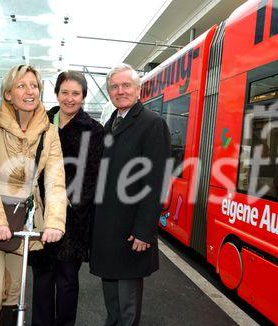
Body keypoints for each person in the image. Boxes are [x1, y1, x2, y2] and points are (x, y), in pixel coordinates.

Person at [0, 64, 67, 325]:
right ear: (7, 94)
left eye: (34, 86)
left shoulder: (49, 132)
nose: (30, 91)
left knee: (14, 292)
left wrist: (55, 223)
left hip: (24, 219)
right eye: (21, 85)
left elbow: (56, 180)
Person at [90, 63, 171, 326]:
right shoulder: (111, 123)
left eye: (126, 86)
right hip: (107, 230)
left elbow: (155, 181)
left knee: (127, 305)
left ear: (138, 90)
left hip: (130, 231)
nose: (120, 91)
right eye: (114, 87)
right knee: (112, 299)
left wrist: (145, 230)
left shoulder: (152, 124)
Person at [31, 71, 104, 326]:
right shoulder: (41, 122)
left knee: (67, 281)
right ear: (57, 93)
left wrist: (68, 203)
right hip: (40, 213)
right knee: (41, 278)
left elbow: (92, 176)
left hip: (74, 219)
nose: (69, 98)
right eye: (65, 92)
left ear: (83, 96)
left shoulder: (94, 130)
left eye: (75, 93)